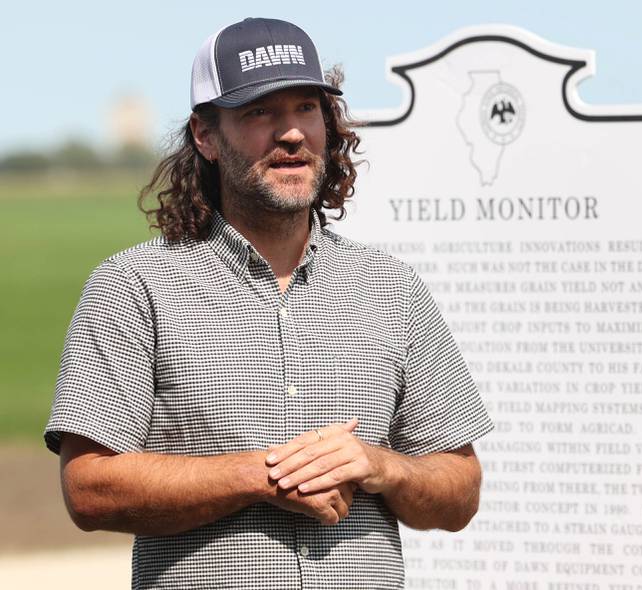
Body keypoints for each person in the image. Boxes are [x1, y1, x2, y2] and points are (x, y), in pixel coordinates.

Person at [45, 17, 492, 589]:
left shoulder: (391, 287)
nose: (291, 134)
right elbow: (89, 490)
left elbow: (460, 492)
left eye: (307, 108)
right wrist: (266, 475)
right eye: (259, 112)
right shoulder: (133, 284)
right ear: (205, 136)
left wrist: (381, 466)